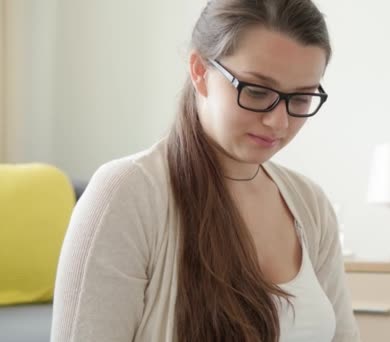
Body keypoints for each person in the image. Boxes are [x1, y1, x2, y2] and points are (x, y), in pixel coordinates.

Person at [50, 0, 360, 341]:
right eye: (256, 92)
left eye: (300, 99)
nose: (279, 121)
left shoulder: (309, 204)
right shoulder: (126, 194)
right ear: (199, 71)